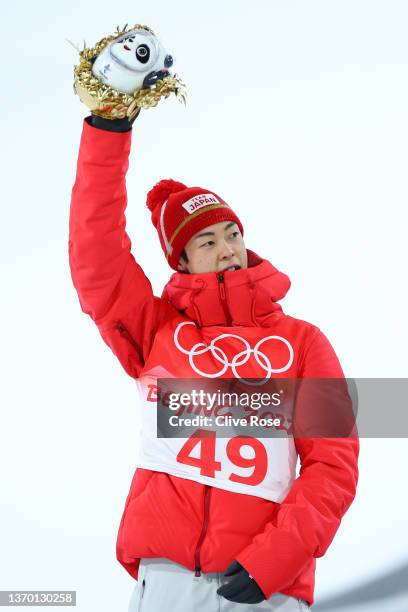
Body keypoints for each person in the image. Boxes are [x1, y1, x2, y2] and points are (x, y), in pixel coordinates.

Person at [69, 109, 359, 611]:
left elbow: (335, 465)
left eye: (233, 233)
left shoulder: (306, 342)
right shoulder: (154, 332)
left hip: (265, 587)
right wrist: (108, 130)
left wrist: (276, 558)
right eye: (208, 240)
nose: (227, 249)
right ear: (182, 260)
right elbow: (95, 255)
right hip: (168, 583)